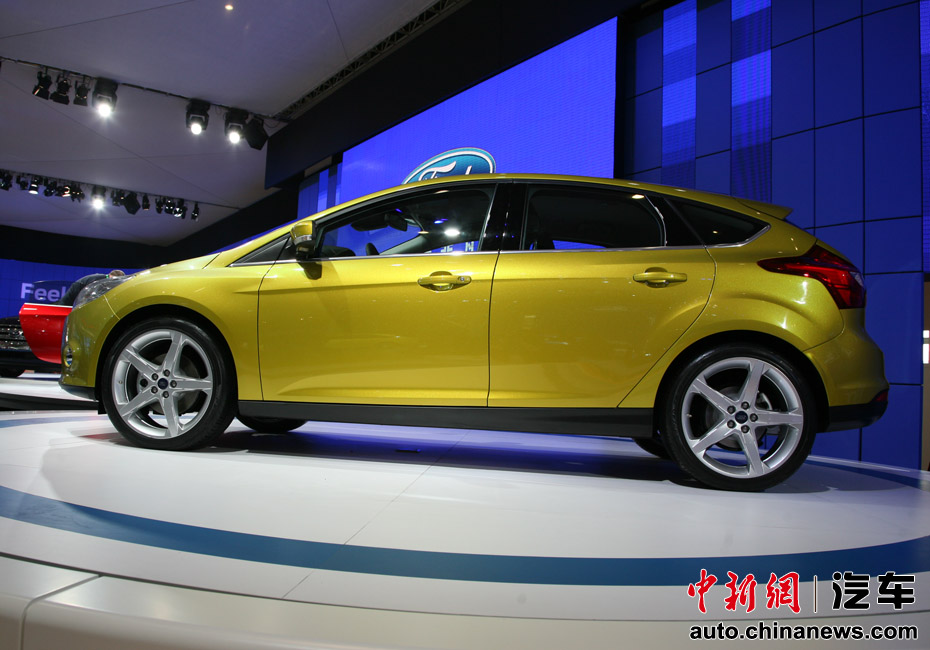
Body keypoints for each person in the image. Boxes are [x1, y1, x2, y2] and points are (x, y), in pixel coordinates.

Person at [57, 270, 125, 306]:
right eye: (113, 280)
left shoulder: (109, 282)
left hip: (84, 288)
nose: (114, 282)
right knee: (64, 305)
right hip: (79, 286)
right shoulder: (99, 280)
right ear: (109, 276)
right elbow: (88, 295)